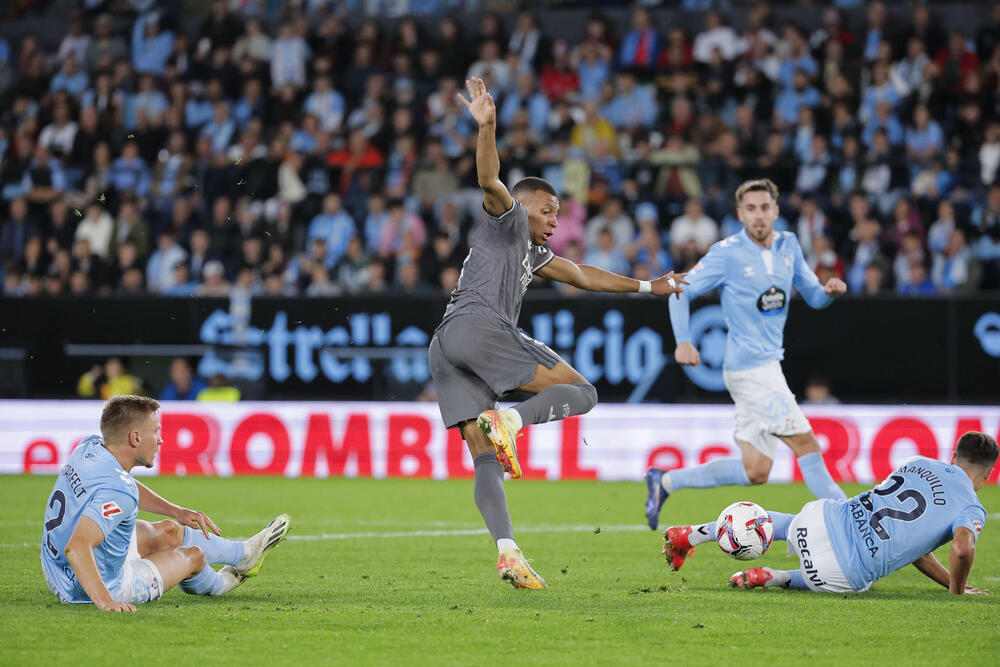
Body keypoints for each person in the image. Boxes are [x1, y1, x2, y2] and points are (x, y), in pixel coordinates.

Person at [429, 78, 686, 589]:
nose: (555, 220)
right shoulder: (507, 220)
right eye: (547, 210)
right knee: (584, 391)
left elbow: (585, 275)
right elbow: (489, 178)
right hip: (481, 328)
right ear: (524, 206)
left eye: (558, 214)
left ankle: (507, 552)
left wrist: (647, 286)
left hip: (445, 346)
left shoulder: (534, 251)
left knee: (484, 458)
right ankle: (514, 422)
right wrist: (488, 127)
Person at [646, 178, 848, 531]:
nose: (759, 216)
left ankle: (665, 481)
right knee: (806, 443)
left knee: (756, 471)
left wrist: (829, 292)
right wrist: (683, 340)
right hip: (751, 370)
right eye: (751, 209)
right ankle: (853, 521)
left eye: (765, 208)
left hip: (767, 365)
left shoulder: (789, 244)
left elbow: (814, 296)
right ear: (740, 214)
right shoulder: (727, 253)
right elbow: (679, 289)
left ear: (777, 211)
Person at [659, 431, 997, 595]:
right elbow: (963, 547)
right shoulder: (970, 505)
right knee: (860, 582)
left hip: (821, 518)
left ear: (953, 456)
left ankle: (690, 535)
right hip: (840, 571)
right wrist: (957, 588)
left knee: (790, 524)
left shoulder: (919, 462)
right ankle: (775, 576)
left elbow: (914, 546)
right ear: (988, 474)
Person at [40, 395, 290, 611]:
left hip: (55, 568)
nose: (160, 440)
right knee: (194, 556)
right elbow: (77, 547)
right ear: (136, 438)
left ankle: (245, 554)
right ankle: (222, 584)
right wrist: (106, 601)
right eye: (156, 431)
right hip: (93, 586)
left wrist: (176, 511)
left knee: (171, 530)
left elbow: (119, 485)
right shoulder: (118, 492)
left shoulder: (89, 448)